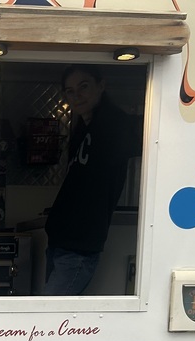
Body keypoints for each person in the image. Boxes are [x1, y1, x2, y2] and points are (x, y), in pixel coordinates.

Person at [43, 64, 142, 296]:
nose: (77, 95)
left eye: (84, 86)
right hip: (60, 242)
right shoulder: (82, 131)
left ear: (101, 85)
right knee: (48, 314)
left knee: (49, 318)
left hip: (79, 247)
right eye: (69, 91)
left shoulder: (116, 125)